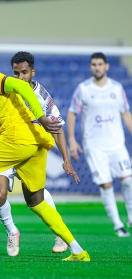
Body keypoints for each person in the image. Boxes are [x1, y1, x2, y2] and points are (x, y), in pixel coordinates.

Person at [0, 51, 90, 261]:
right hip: (35, 143)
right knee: (36, 202)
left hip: (17, 140)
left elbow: (21, 86)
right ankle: (78, 251)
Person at [67, 52, 132, 237]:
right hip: (94, 146)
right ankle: (118, 225)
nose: (97, 67)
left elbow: (126, 113)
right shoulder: (83, 89)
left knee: (128, 179)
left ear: (106, 66)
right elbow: (72, 114)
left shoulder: (117, 88)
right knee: (106, 185)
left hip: (116, 144)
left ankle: (131, 217)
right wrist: (72, 140)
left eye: (100, 64)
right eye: (94, 64)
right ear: (90, 67)